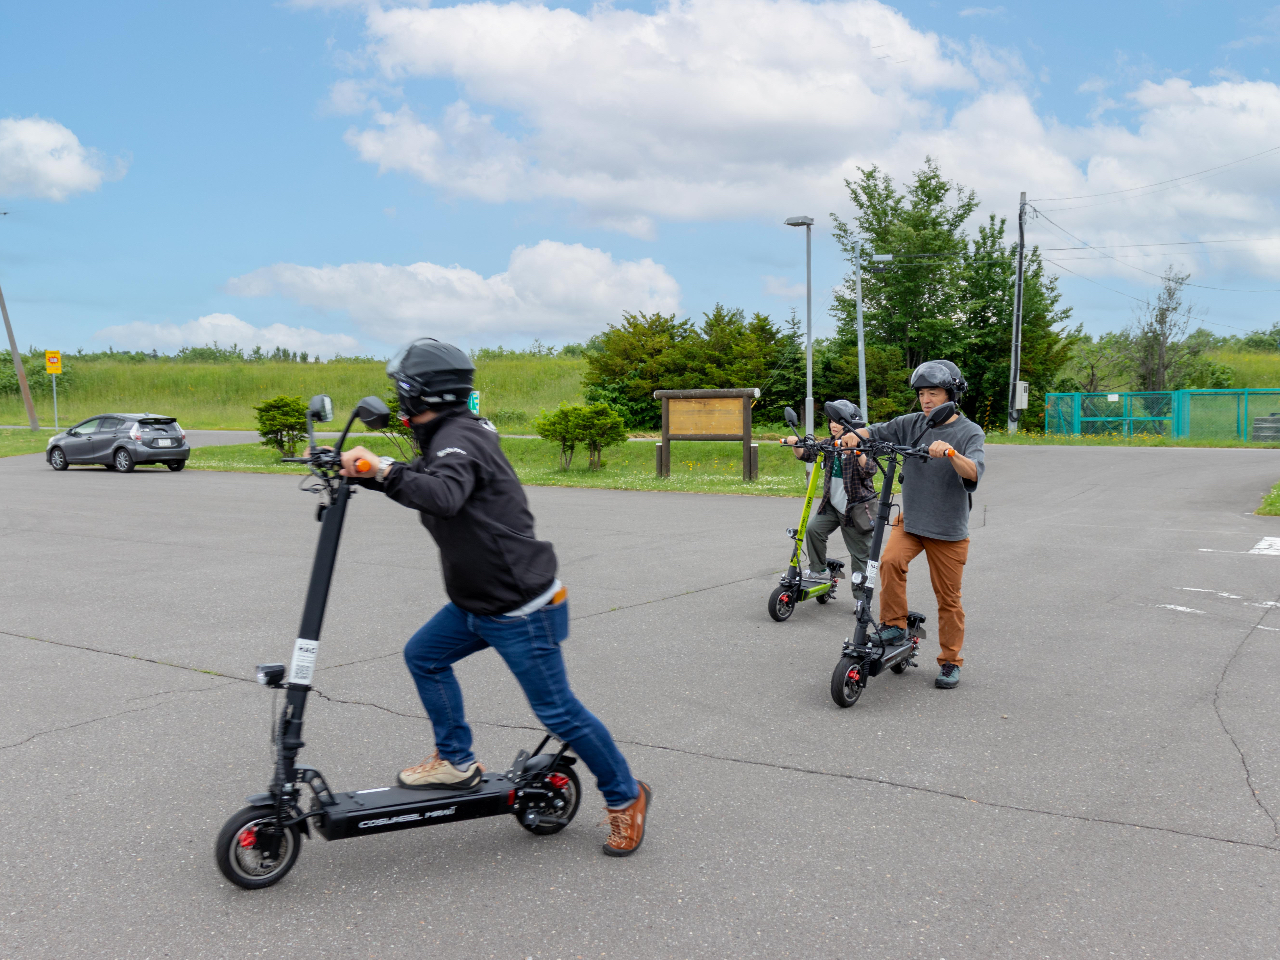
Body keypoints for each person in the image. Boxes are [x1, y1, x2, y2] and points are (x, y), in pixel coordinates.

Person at [337, 337, 651, 857]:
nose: (398, 395)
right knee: (424, 656)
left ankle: (625, 797)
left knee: (559, 713)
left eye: (403, 387)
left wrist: (382, 469)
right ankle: (456, 760)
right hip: (476, 603)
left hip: (519, 608)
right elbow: (431, 481)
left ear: (423, 392)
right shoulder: (448, 432)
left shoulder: (459, 437)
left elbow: (444, 493)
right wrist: (369, 472)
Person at [840, 360, 984, 689]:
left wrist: (950, 453)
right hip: (912, 521)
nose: (926, 399)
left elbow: (974, 471)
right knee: (889, 562)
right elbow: (875, 431)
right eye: (922, 393)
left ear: (951, 395)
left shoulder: (969, 431)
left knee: (948, 598)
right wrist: (854, 436)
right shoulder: (912, 423)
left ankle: (950, 661)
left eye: (934, 392)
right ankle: (894, 624)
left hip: (947, 530)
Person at [779, 400, 877, 581]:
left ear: (850, 423)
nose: (833, 425)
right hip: (832, 505)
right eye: (831, 421)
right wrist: (795, 444)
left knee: (860, 555)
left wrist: (856, 451)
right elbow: (806, 454)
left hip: (855, 508)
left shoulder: (864, 443)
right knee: (813, 530)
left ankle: (862, 600)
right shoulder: (829, 443)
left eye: (838, 421)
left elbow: (870, 470)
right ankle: (819, 570)